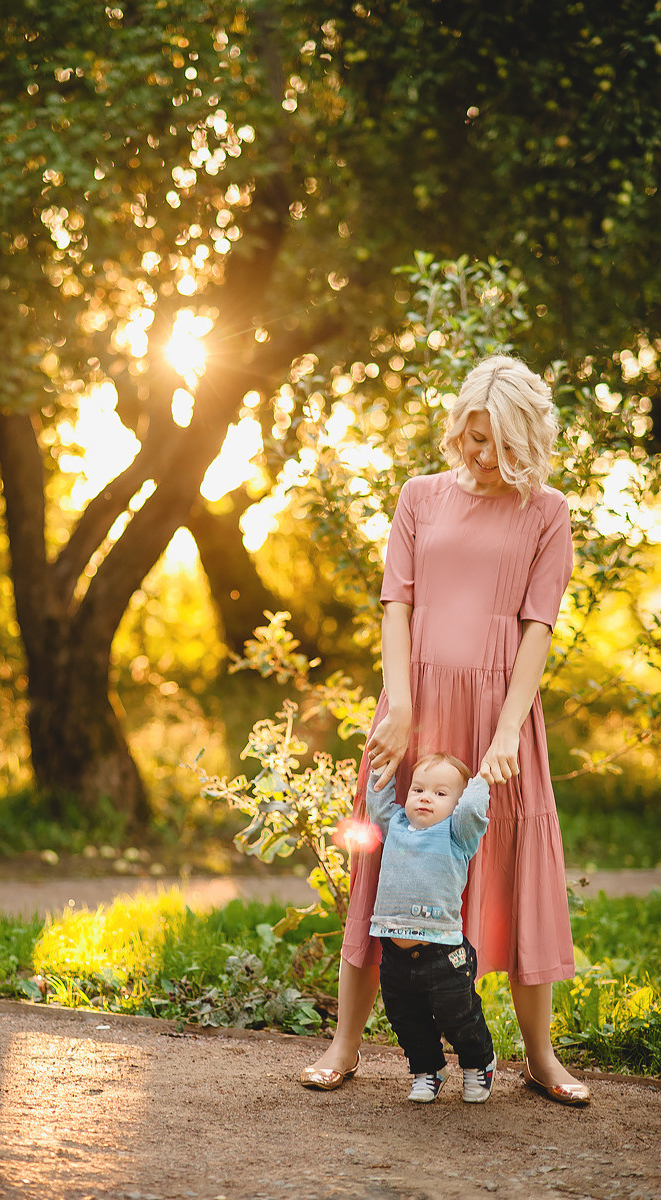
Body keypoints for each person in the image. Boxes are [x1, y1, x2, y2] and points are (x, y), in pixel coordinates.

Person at [300, 354, 591, 1106]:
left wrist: (508, 729)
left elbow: (537, 627)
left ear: (527, 440)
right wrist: (398, 704)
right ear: (458, 426)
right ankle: (344, 1045)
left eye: (500, 442)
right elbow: (396, 605)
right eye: (474, 436)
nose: (483, 454)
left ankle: (539, 1057)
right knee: (381, 865)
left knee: (513, 867)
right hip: (415, 707)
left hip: (500, 715)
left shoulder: (546, 511)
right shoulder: (418, 496)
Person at [367, 751, 496, 1103]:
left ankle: (479, 1062)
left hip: (444, 955)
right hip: (395, 956)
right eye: (419, 789)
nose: (426, 797)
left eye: (440, 793)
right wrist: (382, 766)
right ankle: (428, 1070)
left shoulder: (457, 832)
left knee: (459, 1016)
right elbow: (378, 804)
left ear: (457, 804)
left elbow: (471, 810)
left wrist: (481, 779)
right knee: (405, 1018)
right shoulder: (395, 825)